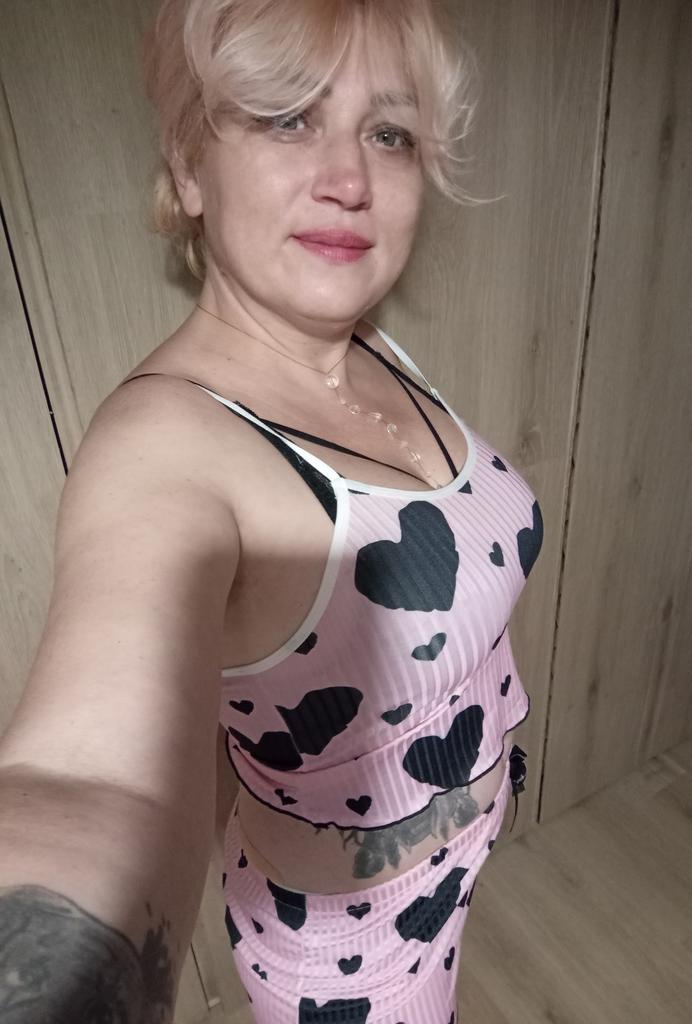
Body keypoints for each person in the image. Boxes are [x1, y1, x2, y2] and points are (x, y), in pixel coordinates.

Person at [0, 1, 542, 1021]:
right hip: (355, 961)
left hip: (453, 867)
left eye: (389, 133)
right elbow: (89, 782)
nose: (350, 178)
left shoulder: (364, 344)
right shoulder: (165, 448)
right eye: (288, 117)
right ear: (190, 166)